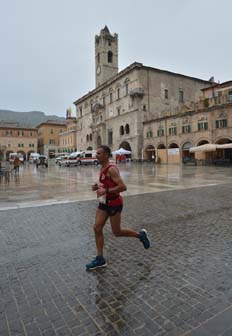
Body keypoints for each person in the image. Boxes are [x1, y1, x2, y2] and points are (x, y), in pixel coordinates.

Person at [86, 145, 150, 271]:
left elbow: (123, 187)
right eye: (96, 153)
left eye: (99, 153)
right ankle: (100, 259)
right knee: (97, 228)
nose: (96, 155)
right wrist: (97, 187)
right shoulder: (102, 168)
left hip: (114, 203)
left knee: (117, 232)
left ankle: (140, 235)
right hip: (104, 203)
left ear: (106, 155)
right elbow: (105, 184)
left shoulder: (111, 169)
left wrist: (106, 190)